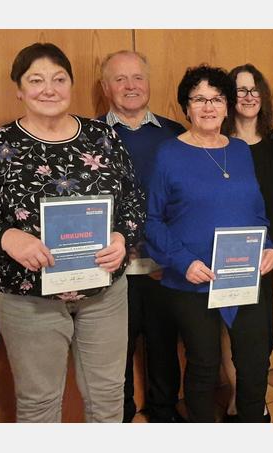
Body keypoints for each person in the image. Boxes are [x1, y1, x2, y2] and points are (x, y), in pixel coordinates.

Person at [0, 42, 145, 423]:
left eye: (58, 79)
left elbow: (134, 201)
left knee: (109, 396)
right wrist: (8, 238)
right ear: (19, 89)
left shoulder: (102, 137)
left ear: (71, 85)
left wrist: (122, 237)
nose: (49, 89)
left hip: (103, 293)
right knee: (39, 403)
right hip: (29, 299)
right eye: (36, 80)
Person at [144, 64, 273, 422]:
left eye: (217, 99)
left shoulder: (240, 150)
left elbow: (256, 212)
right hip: (192, 277)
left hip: (243, 275)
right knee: (203, 364)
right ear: (186, 107)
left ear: (227, 105)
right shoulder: (168, 153)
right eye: (199, 99)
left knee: (254, 362)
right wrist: (183, 262)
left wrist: (267, 246)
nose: (208, 107)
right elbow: (152, 220)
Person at [98, 50, 186, 423]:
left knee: (164, 344)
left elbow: (186, 202)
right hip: (110, 267)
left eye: (137, 77)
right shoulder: (89, 136)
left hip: (163, 264)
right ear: (106, 87)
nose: (130, 86)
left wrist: (171, 254)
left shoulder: (176, 134)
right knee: (114, 350)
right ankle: (120, 417)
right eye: (120, 79)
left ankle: (164, 412)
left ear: (148, 83)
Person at [219, 63, 273, 422]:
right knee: (228, 325)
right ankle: (240, 397)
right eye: (240, 90)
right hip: (221, 251)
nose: (248, 97)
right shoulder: (217, 141)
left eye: (254, 89)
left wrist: (267, 244)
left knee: (259, 331)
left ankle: (254, 395)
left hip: (263, 253)